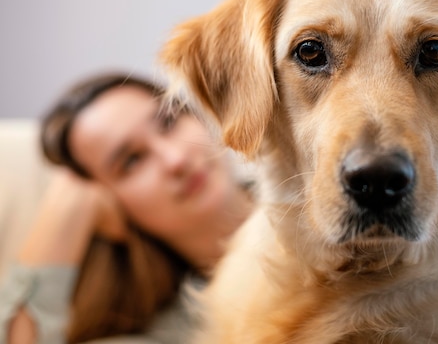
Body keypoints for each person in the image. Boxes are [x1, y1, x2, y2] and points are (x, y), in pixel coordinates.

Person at [0, 71, 256, 344]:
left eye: (168, 122)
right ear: (110, 201)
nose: (175, 160)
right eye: (132, 161)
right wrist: (69, 208)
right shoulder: (176, 332)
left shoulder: (302, 187)